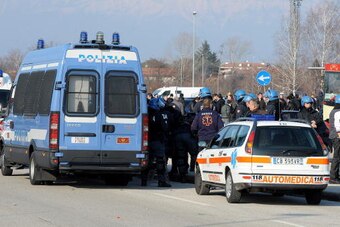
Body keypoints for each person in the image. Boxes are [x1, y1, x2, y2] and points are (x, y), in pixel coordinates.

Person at [141, 97, 172, 187]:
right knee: (160, 161)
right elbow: (165, 128)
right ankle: (161, 181)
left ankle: (143, 180)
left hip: (146, 140)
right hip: (158, 140)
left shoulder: (145, 114)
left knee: (147, 161)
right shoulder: (159, 115)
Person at [329, 95, 340, 184]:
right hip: (337, 136)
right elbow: (338, 126)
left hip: (334, 136)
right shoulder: (338, 112)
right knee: (336, 157)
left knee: (337, 156)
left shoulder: (334, 111)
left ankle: (335, 176)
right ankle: (333, 177)